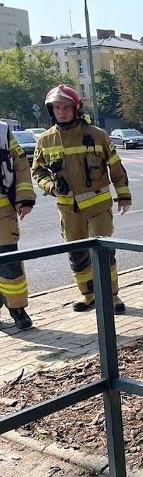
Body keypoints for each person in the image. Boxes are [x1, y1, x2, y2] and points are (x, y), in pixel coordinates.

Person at [31, 85, 131, 312]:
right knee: (77, 255)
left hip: (98, 206)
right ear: (51, 110)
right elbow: (38, 171)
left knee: (103, 251)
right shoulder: (45, 140)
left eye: (66, 107)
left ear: (76, 108)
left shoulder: (97, 135)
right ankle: (88, 295)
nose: (62, 112)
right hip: (68, 209)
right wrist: (50, 186)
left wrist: (123, 196)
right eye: (57, 108)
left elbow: (116, 168)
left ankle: (112, 295)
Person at [0, 121, 36, 330]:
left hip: (3, 211)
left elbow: (21, 165)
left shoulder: (2, 131)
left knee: (9, 262)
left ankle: (17, 309)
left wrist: (24, 198)